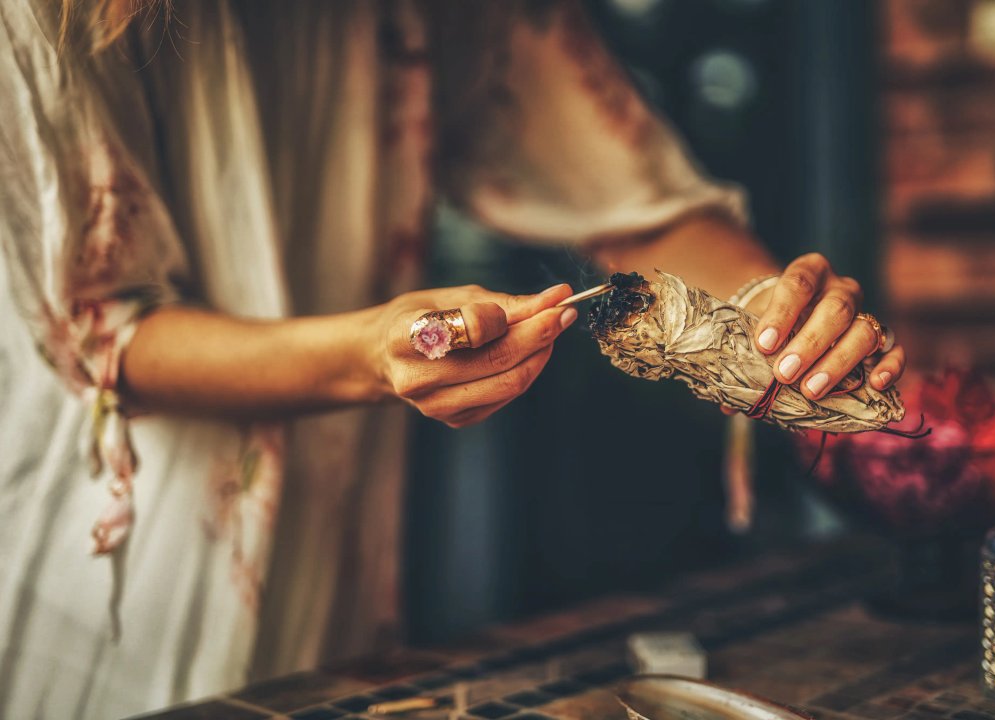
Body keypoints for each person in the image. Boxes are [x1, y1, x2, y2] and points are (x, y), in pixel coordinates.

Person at [0, 0, 907, 717]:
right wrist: (366, 353)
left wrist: (767, 312)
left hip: (338, 551)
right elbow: (103, 329)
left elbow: (641, 205)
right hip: (118, 574)